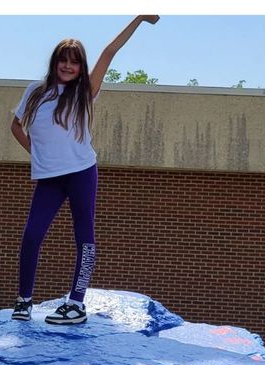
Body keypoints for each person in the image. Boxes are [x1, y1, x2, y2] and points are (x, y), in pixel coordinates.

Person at [10, 15, 160, 324]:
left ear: (80, 67)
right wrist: (38, 155)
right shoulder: (35, 92)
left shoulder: (84, 93)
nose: (67, 66)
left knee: (85, 238)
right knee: (31, 235)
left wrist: (139, 18)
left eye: (74, 62)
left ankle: (76, 304)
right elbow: (16, 126)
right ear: (54, 62)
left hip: (81, 172)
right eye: (62, 60)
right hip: (49, 180)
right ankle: (24, 300)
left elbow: (109, 52)